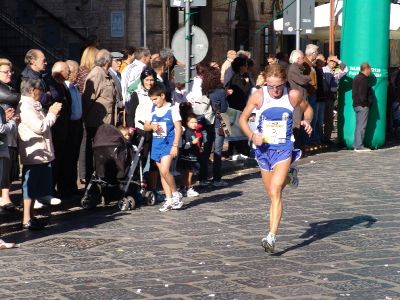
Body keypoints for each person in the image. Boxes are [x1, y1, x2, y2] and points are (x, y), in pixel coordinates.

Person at [239, 64, 313, 253]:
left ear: (284, 83)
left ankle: (271, 236)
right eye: (271, 86)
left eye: (278, 86)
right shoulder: (258, 96)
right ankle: (290, 177)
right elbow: (243, 119)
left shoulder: (293, 95)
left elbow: (308, 110)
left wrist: (306, 120)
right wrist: (251, 135)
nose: (275, 90)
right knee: (271, 194)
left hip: (283, 148)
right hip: (263, 150)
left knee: (275, 190)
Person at [18, 78, 62, 230]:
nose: (42, 93)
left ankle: (31, 217)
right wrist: (52, 113)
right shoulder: (25, 106)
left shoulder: (34, 105)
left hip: (41, 150)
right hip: (33, 151)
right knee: (29, 185)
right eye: (40, 90)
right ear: (32, 91)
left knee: (34, 186)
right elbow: (40, 127)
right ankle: (26, 219)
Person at [143, 85, 183, 212]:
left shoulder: (173, 109)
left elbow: (178, 128)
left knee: (165, 170)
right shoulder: (153, 109)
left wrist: (175, 145)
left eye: (155, 99)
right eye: (152, 100)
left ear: (162, 96)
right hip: (157, 144)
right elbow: (145, 126)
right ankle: (169, 200)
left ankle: (176, 194)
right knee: (162, 174)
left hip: (168, 143)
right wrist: (152, 127)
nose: (153, 102)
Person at [82, 49, 116, 183]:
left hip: (104, 124)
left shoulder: (106, 74)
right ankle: (93, 184)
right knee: (95, 155)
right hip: (96, 123)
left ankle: (103, 182)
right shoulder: (96, 74)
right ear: (108, 61)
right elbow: (87, 100)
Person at [202, 65, 229, 187]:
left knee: (206, 150)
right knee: (218, 151)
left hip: (207, 121)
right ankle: (217, 179)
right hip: (220, 121)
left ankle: (203, 177)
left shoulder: (205, 90)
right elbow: (223, 108)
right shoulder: (220, 91)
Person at [0, 58, 20, 212]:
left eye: (11, 71)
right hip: (5, 131)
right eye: (5, 72)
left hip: (8, 133)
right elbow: (13, 98)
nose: (10, 74)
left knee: (7, 165)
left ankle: (5, 197)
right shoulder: (4, 89)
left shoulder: (9, 86)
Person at [65, 60, 84, 196]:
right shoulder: (65, 87)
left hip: (77, 124)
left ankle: (71, 186)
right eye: (76, 72)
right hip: (69, 125)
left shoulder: (75, 87)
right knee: (67, 157)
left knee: (74, 157)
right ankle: (65, 187)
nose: (78, 75)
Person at [287, 50, 311, 150]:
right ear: (297, 59)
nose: (303, 60)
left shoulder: (299, 68)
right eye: (302, 58)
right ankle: (295, 146)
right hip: (296, 101)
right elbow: (302, 80)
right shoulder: (293, 68)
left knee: (303, 122)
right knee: (296, 123)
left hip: (302, 99)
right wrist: (308, 77)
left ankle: (301, 144)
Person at [322, 55, 348, 144]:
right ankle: (318, 139)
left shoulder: (336, 73)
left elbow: (345, 70)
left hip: (331, 98)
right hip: (323, 98)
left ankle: (327, 138)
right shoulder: (322, 70)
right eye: (331, 61)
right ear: (327, 61)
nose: (333, 63)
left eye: (334, 62)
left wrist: (338, 60)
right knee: (320, 119)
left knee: (329, 119)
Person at [179, 113, 201, 197]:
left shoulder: (193, 132)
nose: (194, 124)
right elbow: (185, 145)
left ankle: (183, 188)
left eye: (195, 122)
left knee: (188, 172)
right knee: (189, 172)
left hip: (192, 155)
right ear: (187, 123)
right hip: (188, 156)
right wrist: (192, 142)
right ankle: (187, 188)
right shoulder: (187, 132)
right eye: (192, 122)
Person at [352, 62, 373, 152]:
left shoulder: (357, 77)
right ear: (366, 69)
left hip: (357, 104)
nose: (370, 72)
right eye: (370, 70)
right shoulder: (363, 79)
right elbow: (362, 94)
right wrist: (366, 103)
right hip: (362, 105)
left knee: (358, 126)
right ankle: (359, 146)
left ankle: (356, 144)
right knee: (361, 126)